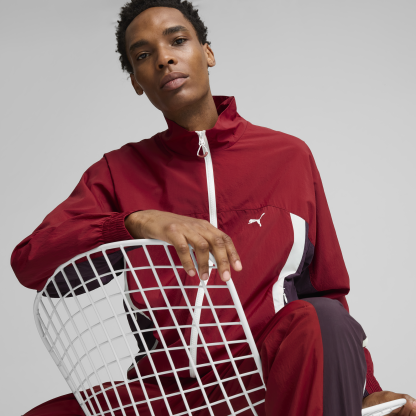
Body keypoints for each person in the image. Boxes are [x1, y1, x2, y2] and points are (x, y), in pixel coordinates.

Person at [11, 1, 415, 415]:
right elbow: (30, 263)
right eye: (144, 55)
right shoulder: (117, 172)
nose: (164, 59)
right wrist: (134, 223)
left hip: (269, 382)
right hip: (165, 393)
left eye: (177, 41)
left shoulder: (288, 157)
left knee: (322, 315)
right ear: (136, 81)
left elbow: (326, 294)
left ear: (207, 53)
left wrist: (366, 389)